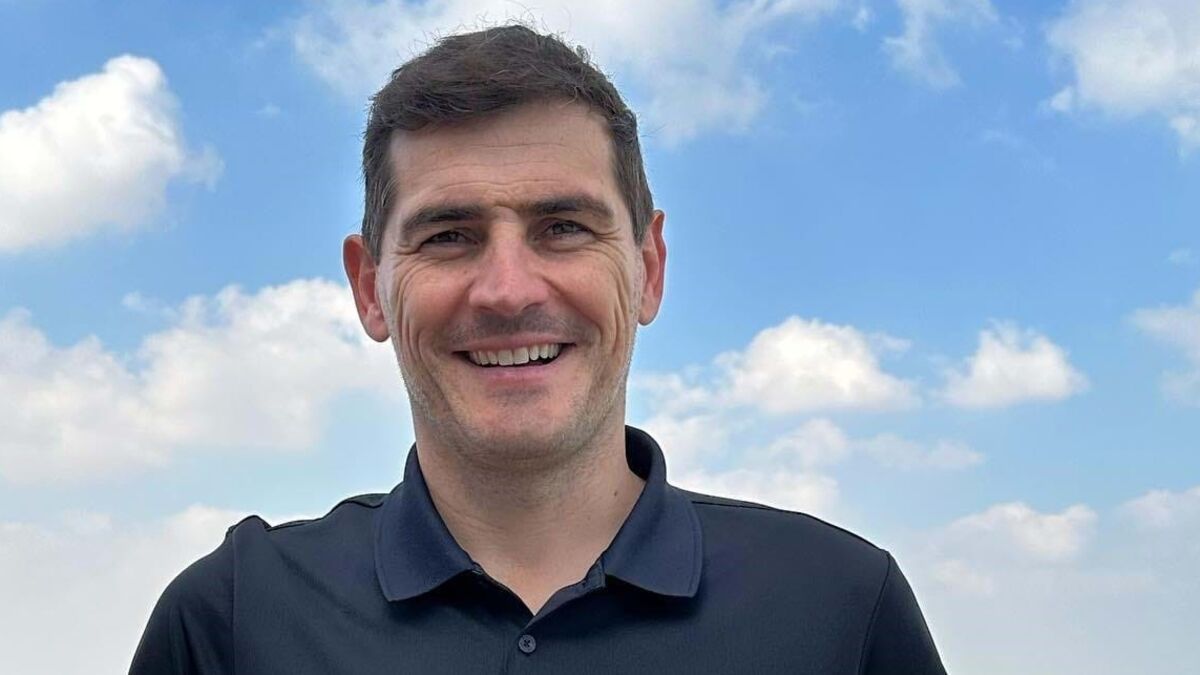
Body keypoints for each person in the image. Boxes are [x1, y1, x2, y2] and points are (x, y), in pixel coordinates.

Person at [130, 25, 946, 674]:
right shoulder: (234, 621)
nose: (508, 289)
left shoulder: (839, 607)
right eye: (448, 236)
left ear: (649, 269)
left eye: (563, 227)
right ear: (370, 288)